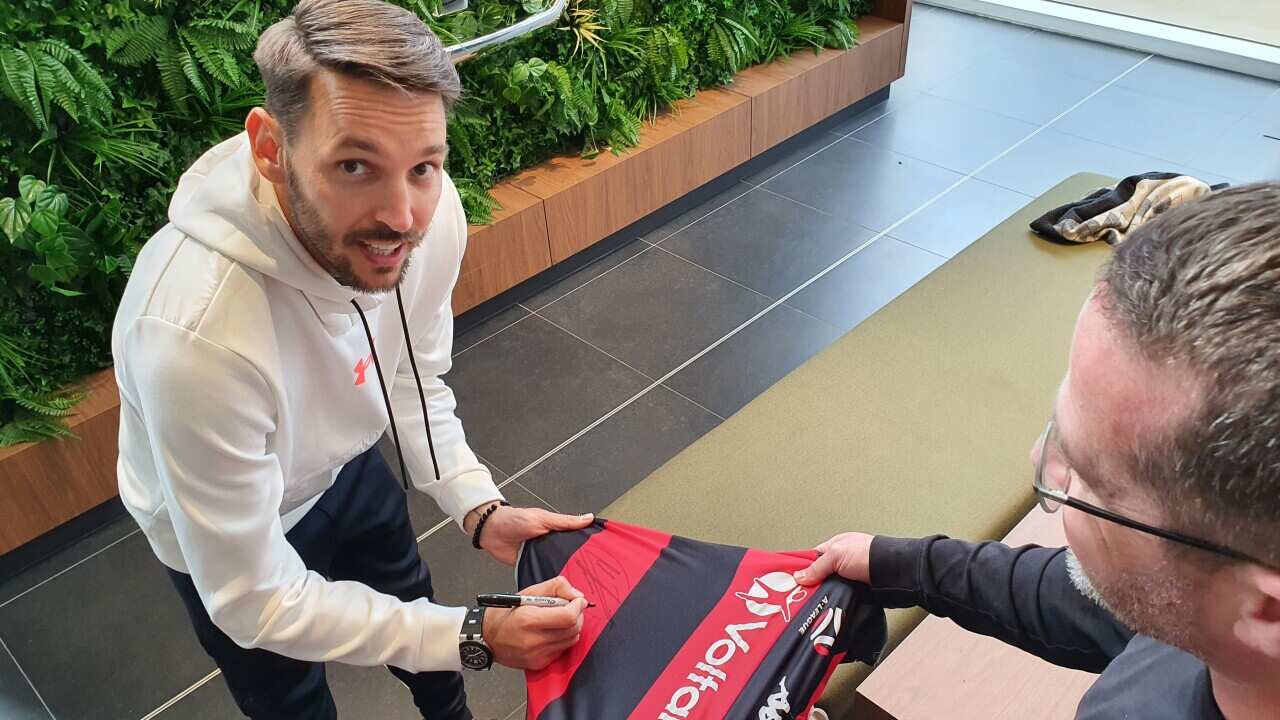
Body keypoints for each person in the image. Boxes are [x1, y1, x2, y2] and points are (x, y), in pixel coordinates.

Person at [111, 1, 591, 717]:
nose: (400, 217)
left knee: (413, 610)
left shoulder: (431, 216)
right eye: (355, 164)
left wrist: (476, 505)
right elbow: (257, 601)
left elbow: (411, 374)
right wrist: (476, 634)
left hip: (346, 464)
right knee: (290, 697)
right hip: (225, 531)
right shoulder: (195, 337)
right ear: (270, 148)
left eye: (423, 166)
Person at [797, 183, 1280, 719]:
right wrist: (905, 566)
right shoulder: (1206, 614)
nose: (1039, 460)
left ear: (1267, 611)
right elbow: (1109, 601)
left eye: (1090, 479)